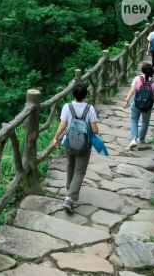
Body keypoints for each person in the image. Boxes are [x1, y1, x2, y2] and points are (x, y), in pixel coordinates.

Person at [52, 81, 99, 213]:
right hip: (84, 145)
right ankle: (69, 198)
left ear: (73, 93)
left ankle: (69, 190)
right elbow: (95, 130)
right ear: (85, 94)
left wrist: (56, 138)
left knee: (70, 166)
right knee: (79, 171)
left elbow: (62, 125)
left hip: (69, 143)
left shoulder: (67, 107)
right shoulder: (90, 109)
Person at [124, 62, 154, 149]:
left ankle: (134, 139)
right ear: (153, 71)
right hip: (148, 106)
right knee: (145, 122)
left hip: (136, 104)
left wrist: (127, 100)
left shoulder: (137, 78)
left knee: (134, 120)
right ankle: (142, 138)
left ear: (142, 71)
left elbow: (132, 90)